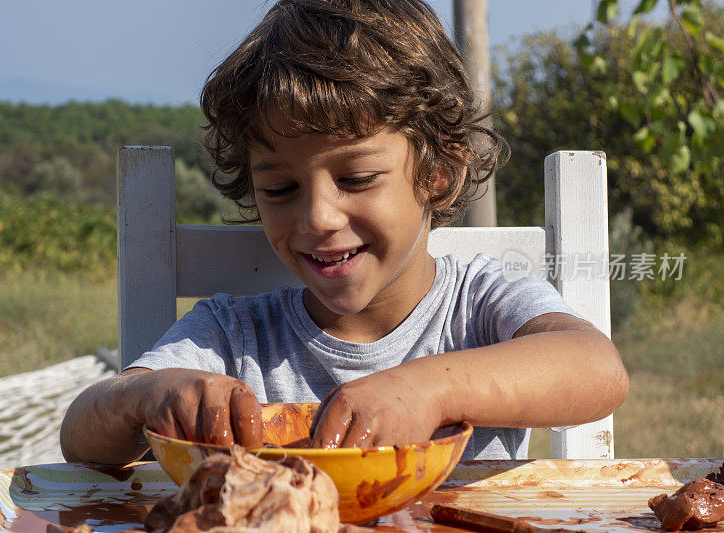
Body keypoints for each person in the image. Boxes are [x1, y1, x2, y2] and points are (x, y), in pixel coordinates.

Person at [60, 0, 628, 465]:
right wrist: (145, 396)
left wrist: (430, 388)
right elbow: (81, 434)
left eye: (355, 178)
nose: (318, 218)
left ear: (438, 174)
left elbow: (595, 367)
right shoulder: (232, 335)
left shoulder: (480, 304)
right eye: (280, 190)